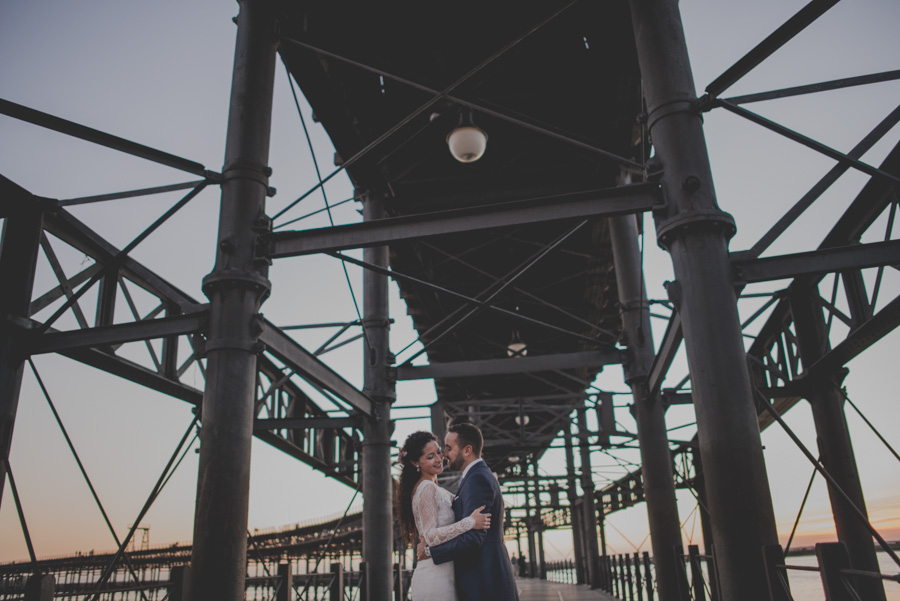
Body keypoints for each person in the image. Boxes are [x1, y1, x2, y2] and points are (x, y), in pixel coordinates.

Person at [419, 422, 520, 601]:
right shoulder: (475, 476)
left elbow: (473, 538)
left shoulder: (477, 479)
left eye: (449, 448)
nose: (444, 454)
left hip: (484, 581)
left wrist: (431, 552)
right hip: (484, 577)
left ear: (467, 450)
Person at [397, 431, 492, 601]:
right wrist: (470, 522)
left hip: (442, 572)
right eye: (430, 456)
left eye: (439, 452)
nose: (439, 459)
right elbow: (431, 536)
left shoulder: (432, 488)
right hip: (435, 578)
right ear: (415, 462)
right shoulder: (427, 488)